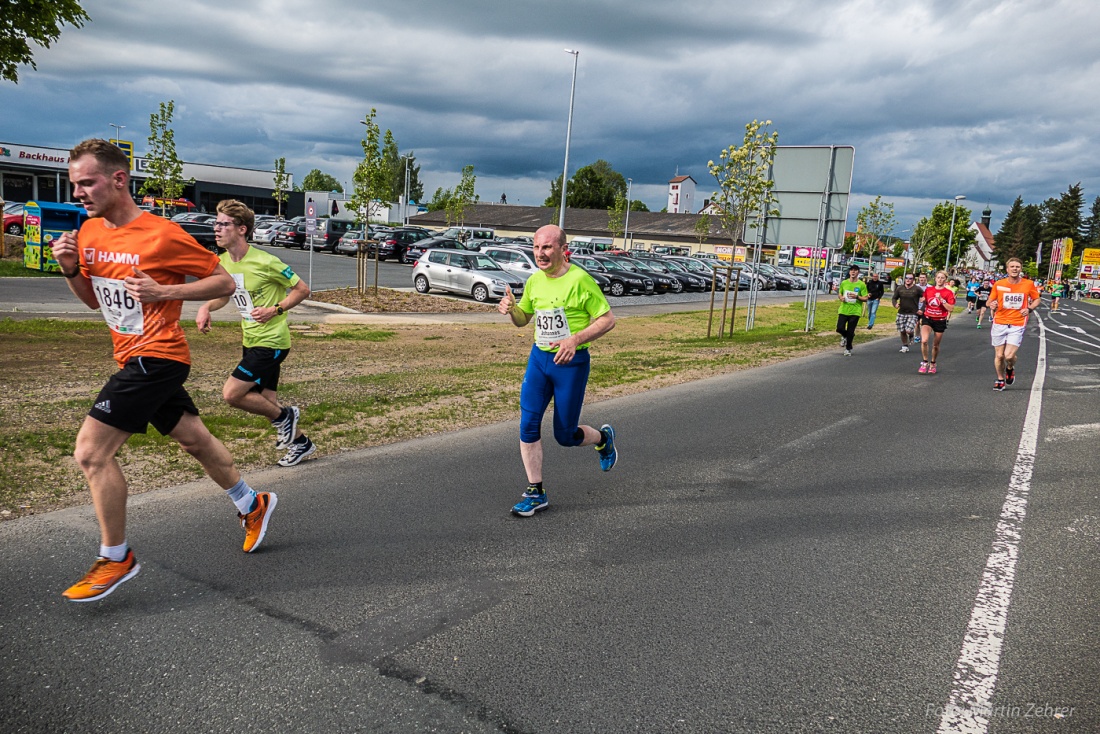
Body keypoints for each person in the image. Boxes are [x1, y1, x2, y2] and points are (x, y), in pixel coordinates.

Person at [49, 139, 277, 603]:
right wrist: (72, 269)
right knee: (194, 440)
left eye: (87, 182)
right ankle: (251, 502)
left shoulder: (161, 234)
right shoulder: (90, 233)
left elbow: (223, 281)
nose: (79, 193)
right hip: (130, 355)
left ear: (118, 179)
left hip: (158, 356)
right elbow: (94, 300)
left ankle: (116, 557)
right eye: (75, 184)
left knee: (91, 454)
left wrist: (162, 293)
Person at [496, 224, 617, 517]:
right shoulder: (535, 281)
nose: (541, 253)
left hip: (570, 365)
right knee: (528, 424)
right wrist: (511, 309)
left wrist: (575, 340)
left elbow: (608, 320)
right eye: (537, 247)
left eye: (547, 247)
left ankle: (602, 440)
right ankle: (535, 491)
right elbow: (524, 318)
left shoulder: (580, 281)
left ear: (564, 250)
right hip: (540, 359)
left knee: (564, 435)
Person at [196, 200, 316, 467]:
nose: (216, 229)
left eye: (223, 224)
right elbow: (224, 296)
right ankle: (300, 442)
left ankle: (287, 418)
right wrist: (206, 307)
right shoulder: (222, 262)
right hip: (250, 340)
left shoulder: (266, 261)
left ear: (242, 229)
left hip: (272, 341)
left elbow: (302, 290)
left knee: (232, 393)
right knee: (265, 402)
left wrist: (275, 309)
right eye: (216, 223)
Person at [988, 257, 1041, 391]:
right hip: (999, 322)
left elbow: (1036, 299)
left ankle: (1010, 368)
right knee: (999, 355)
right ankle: (1000, 379)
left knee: (1009, 356)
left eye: (1017, 267)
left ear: (1020, 269)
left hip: (1017, 322)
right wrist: (992, 304)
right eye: (1012, 266)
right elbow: (989, 301)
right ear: (1007, 269)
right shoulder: (999, 284)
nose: (1015, 269)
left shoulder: (1028, 284)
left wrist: (1029, 309)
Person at [917, 270, 957, 374]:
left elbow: (951, 308)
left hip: (940, 320)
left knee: (935, 345)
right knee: (924, 340)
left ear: (945, 280)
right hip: (928, 318)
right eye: (938, 277)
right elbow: (923, 300)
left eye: (942, 278)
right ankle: (925, 361)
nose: (940, 280)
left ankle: (933, 362)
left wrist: (942, 300)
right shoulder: (929, 290)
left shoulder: (948, 293)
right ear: (935, 279)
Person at [835, 264, 868, 356]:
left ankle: (848, 348)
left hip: (855, 311)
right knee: (839, 328)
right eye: (851, 270)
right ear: (849, 272)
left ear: (858, 272)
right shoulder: (844, 283)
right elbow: (840, 293)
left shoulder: (861, 284)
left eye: (855, 270)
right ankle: (846, 336)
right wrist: (841, 297)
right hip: (844, 309)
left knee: (850, 330)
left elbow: (865, 298)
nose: (853, 272)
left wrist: (857, 296)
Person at [892, 272, 923, 353]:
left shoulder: (917, 289)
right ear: (904, 279)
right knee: (902, 331)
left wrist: (922, 309)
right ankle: (905, 345)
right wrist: (895, 304)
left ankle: (911, 334)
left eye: (910, 278)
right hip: (901, 312)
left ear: (913, 280)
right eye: (906, 278)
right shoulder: (900, 288)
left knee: (908, 330)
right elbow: (894, 298)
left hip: (913, 313)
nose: (908, 280)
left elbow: (925, 299)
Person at [912, 272, 930, 343]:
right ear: (918, 278)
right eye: (921, 277)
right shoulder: (915, 286)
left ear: (926, 278)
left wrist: (925, 298)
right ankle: (917, 336)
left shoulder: (930, 287)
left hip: (926, 308)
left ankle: (924, 335)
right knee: (916, 323)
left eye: (923, 277)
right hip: (917, 307)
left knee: (924, 323)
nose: (922, 279)